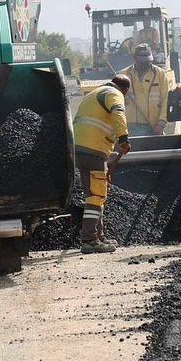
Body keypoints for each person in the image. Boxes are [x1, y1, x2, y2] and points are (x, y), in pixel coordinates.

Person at [71, 74, 132, 254]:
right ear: (125, 90)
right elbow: (118, 112)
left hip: (79, 150)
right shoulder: (114, 93)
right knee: (96, 196)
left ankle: (99, 236)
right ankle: (89, 240)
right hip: (94, 150)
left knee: (94, 195)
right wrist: (123, 138)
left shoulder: (93, 94)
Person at [120, 43, 171, 136]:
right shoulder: (124, 74)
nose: (146, 63)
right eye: (142, 61)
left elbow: (165, 99)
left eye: (148, 60)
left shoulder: (160, 74)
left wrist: (161, 122)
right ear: (135, 58)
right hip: (130, 126)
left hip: (153, 126)